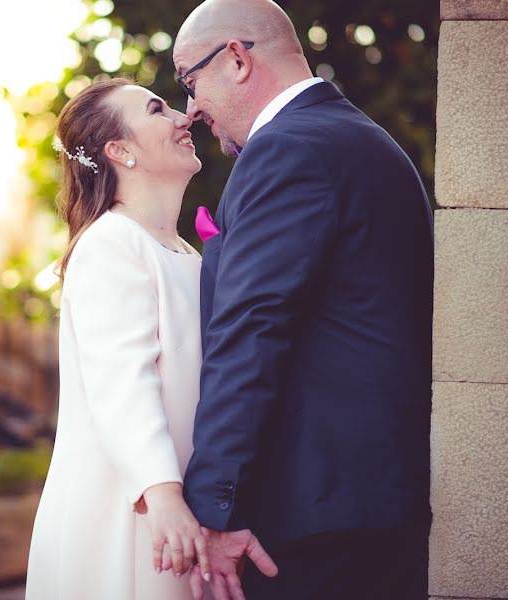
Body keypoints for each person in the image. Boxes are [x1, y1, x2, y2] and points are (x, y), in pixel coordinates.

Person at [172, 1, 434, 599]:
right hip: (368, 500)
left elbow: (251, 333)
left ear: (236, 59)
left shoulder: (287, 149)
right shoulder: (357, 138)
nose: (191, 108)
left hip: (316, 514)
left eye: (191, 81)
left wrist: (215, 508)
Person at [25, 78, 276, 600]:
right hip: (131, 509)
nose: (182, 118)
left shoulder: (183, 252)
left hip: (183, 506)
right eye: (157, 110)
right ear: (120, 151)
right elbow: (122, 383)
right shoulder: (111, 244)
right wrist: (162, 495)